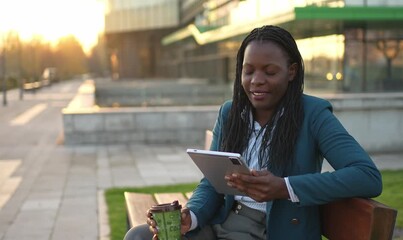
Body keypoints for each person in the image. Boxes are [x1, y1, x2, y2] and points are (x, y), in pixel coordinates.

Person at [124, 25, 382, 240]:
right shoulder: (231, 113)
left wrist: (284, 187)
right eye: (249, 71)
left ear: (291, 72)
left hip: (274, 230)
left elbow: (367, 176)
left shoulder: (313, 115)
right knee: (139, 236)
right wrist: (190, 217)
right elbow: (213, 183)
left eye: (270, 72)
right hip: (223, 223)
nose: (256, 80)